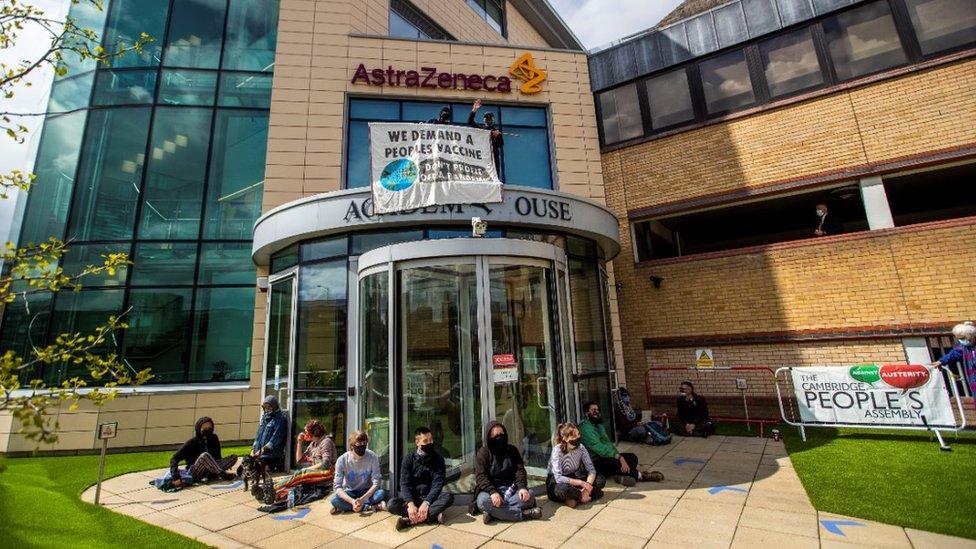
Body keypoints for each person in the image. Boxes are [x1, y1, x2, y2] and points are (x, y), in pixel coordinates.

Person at [472, 421, 542, 524]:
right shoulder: (483, 453)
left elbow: (520, 470)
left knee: (530, 495)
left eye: (501, 435)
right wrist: (493, 492)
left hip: (511, 489)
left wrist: (522, 487)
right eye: (496, 436)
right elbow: (481, 476)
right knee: (482, 501)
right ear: (489, 438)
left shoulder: (512, 450)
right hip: (491, 491)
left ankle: (495, 513)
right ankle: (524, 514)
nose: (499, 438)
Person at [579, 401, 663, 487]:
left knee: (632, 458)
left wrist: (619, 455)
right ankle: (642, 476)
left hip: (605, 457)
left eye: (597, 410)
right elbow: (599, 449)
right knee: (615, 463)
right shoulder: (585, 428)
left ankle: (620, 474)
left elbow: (608, 444)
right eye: (593, 410)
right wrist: (618, 457)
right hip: (594, 462)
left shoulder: (598, 425)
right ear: (586, 413)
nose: (596, 412)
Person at [389, 426, 455, 531]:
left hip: (430, 499)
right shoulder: (408, 459)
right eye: (425, 441)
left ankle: (410, 520)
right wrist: (410, 504)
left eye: (431, 440)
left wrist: (426, 503)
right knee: (392, 504)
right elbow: (404, 484)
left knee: (448, 497)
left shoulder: (438, 459)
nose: (429, 443)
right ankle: (431, 517)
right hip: (413, 498)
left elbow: (437, 484)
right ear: (417, 442)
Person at [546, 423, 604, 508]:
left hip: (573, 477)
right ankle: (580, 496)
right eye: (574, 436)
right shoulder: (557, 450)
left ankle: (577, 497)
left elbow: (591, 470)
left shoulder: (581, 447)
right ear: (565, 439)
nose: (577, 438)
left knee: (600, 480)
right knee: (564, 490)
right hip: (557, 481)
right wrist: (581, 483)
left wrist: (586, 488)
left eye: (578, 434)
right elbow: (558, 477)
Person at [169, 416, 238, 485]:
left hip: (212, 467)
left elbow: (218, 457)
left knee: (233, 457)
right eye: (204, 428)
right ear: (199, 429)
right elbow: (174, 458)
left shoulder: (214, 438)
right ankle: (222, 474)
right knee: (204, 456)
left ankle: (210, 475)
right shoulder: (191, 442)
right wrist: (175, 476)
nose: (207, 430)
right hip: (195, 471)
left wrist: (224, 464)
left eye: (209, 428)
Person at [330, 430, 386, 514]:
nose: (362, 447)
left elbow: (376, 482)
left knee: (381, 493)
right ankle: (370, 507)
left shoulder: (372, 456)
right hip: (350, 492)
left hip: (367, 491)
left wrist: (362, 499)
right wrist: (352, 501)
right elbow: (337, 487)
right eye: (359, 445)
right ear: (352, 445)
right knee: (334, 500)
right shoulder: (342, 460)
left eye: (364, 444)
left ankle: (348, 508)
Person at [932, 321, 976, 397]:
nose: (960, 340)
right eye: (958, 338)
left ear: (970, 336)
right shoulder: (964, 346)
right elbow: (954, 353)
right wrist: (941, 361)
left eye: (962, 338)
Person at [251, 395, 288, 472]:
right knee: (244, 466)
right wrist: (253, 450)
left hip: (271, 455)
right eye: (265, 407)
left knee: (256, 468)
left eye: (269, 407)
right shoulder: (265, 417)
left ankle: (269, 468)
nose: (267, 409)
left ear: (275, 406)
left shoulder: (280, 419)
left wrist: (262, 451)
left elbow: (276, 439)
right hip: (260, 453)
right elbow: (258, 436)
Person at [468, 99, 504, 173]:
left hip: (493, 158)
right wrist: (474, 110)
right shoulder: (482, 130)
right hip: (483, 157)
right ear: (484, 120)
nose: (488, 120)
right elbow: (470, 122)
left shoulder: (496, 132)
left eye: (489, 118)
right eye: (486, 118)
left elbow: (500, 145)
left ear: (493, 119)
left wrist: (497, 137)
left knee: (495, 175)